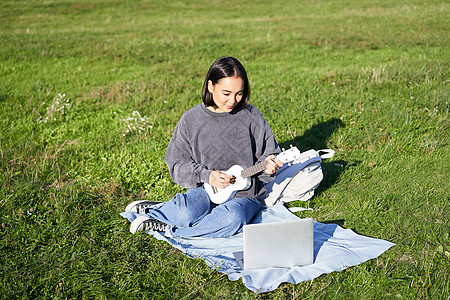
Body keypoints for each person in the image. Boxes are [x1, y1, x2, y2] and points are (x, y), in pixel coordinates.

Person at [125, 56, 283, 238]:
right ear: (210, 86)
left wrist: (269, 168)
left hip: (245, 196)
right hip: (206, 190)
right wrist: (206, 176)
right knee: (186, 212)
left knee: (233, 218)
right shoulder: (191, 120)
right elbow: (177, 164)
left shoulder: (251, 115)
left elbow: (269, 154)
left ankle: (169, 228)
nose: (233, 100)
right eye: (226, 93)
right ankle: (162, 210)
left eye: (239, 93)